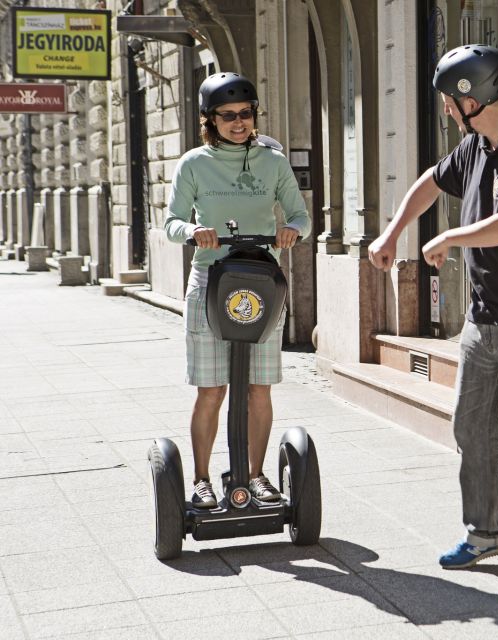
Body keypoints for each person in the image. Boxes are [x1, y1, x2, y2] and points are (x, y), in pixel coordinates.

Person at [368, 44, 498, 605]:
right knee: (470, 426)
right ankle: (488, 530)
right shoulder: (476, 145)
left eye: (446, 98)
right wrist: (393, 233)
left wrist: (448, 238)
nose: (443, 109)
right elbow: (431, 183)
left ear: (471, 97)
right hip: (485, 314)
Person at [164, 72, 311, 509]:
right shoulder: (194, 163)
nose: (239, 122)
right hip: (211, 280)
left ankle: (254, 474)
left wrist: (291, 232)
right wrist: (193, 229)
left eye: (246, 114)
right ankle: (202, 479)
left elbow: (300, 215)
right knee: (212, 388)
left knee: (259, 387)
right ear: (209, 119)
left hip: (261, 281)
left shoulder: (273, 161)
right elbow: (171, 222)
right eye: (228, 116)